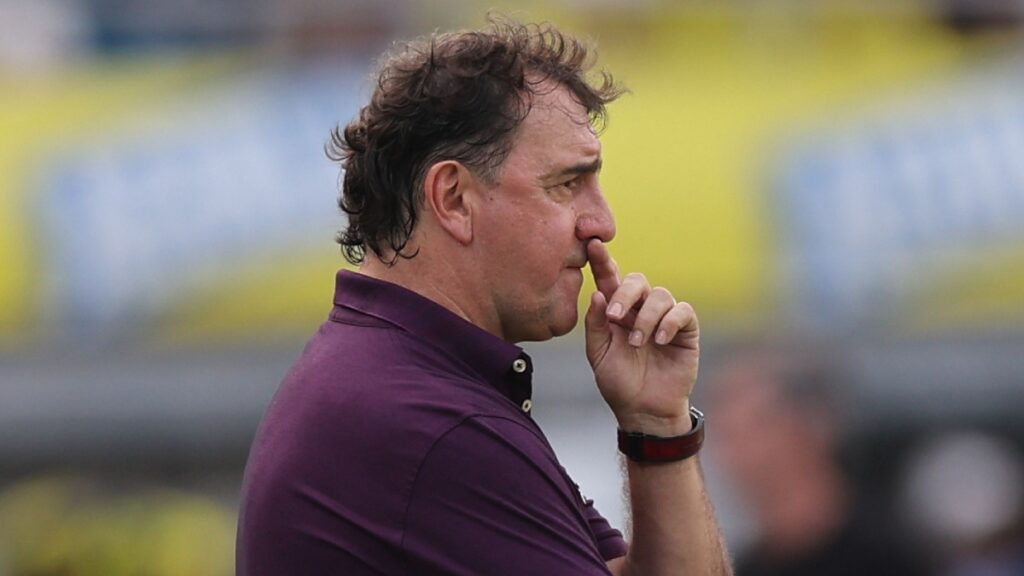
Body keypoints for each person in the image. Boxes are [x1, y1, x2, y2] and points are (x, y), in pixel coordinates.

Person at [236, 17, 731, 576]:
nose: (602, 223)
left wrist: (657, 421)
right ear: (453, 199)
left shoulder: (400, 382)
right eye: (567, 184)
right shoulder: (434, 427)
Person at [706, 342, 928, 576]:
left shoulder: (888, 553)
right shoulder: (746, 566)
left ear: (809, 426)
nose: (726, 456)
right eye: (722, 435)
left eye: (741, 432)